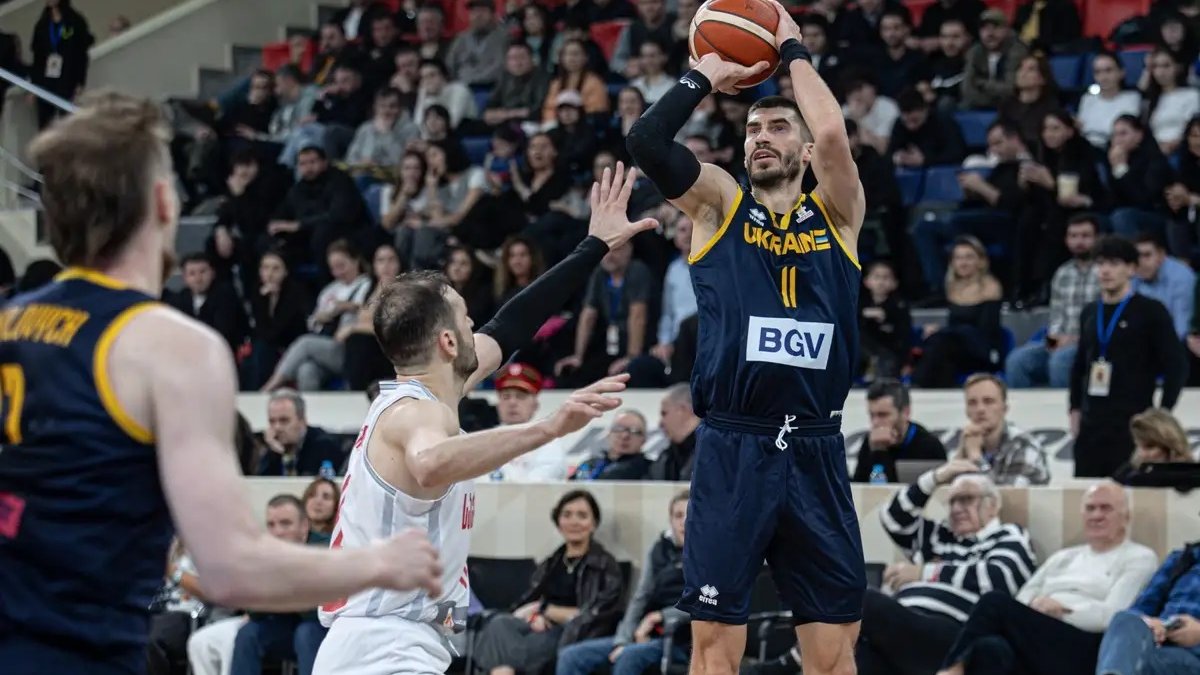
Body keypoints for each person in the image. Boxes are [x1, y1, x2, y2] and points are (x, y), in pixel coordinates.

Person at [0, 91, 441, 675]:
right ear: (164, 201)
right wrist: (380, 563)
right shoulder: (168, 345)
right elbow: (232, 569)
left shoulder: (11, 321)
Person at [312, 163, 657, 675]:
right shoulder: (416, 414)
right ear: (448, 342)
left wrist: (594, 247)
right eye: (465, 317)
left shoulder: (434, 390)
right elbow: (431, 462)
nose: (476, 322)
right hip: (385, 645)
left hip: (388, 641)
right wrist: (548, 427)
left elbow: (512, 323)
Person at [625, 4, 868, 674]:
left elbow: (834, 134)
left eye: (779, 126)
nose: (761, 135)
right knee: (714, 646)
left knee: (833, 650)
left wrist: (790, 47)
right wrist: (703, 75)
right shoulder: (722, 204)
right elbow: (646, 142)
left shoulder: (837, 213)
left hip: (816, 444)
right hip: (734, 446)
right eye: (753, 128)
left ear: (805, 150)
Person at [934, 481, 1158, 675]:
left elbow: (1112, 617)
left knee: (994, 601)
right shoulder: (1063, 557)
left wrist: (1063, 610)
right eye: (1090, 508)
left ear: (1125, 517)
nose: (1096, 515)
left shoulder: (1139, 557)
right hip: (1042, 638)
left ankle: (950, 668)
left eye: (1105, 508)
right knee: (990, 648)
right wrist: (1038, 608)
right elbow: (1023, 598)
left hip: (1088, 645)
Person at [1069, 235, 1187, 477]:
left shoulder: (1150, 311)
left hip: (1133, 424)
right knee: (1088, 491)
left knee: (1130, 490)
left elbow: (1176, 365)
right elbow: (1080, 364)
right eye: (1100, 263)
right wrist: (1074, 409)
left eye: (1114, 264)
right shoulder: (1090, 312)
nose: (1105, 271)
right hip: (1092, 426)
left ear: (1132, 269)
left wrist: (1162, 412)